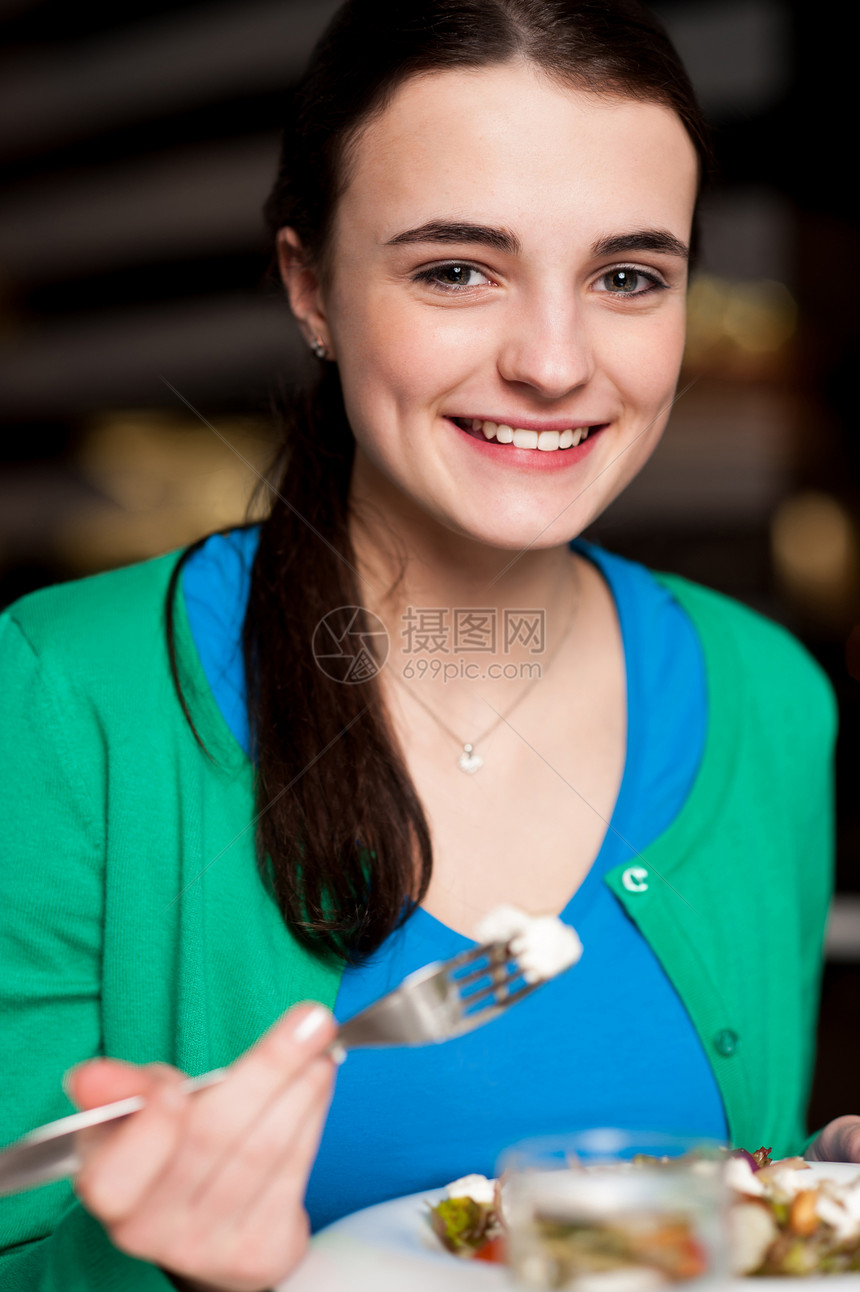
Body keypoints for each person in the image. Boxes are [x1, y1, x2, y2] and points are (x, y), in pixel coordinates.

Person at [0, 1, 854, 1289]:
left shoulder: (766, 699)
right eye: (456, 269)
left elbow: (702, 1213)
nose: (555, 362)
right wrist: (153, 1263)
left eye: (628, 277)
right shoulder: (69, 695)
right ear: (311, 286)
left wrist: (805, 1195)